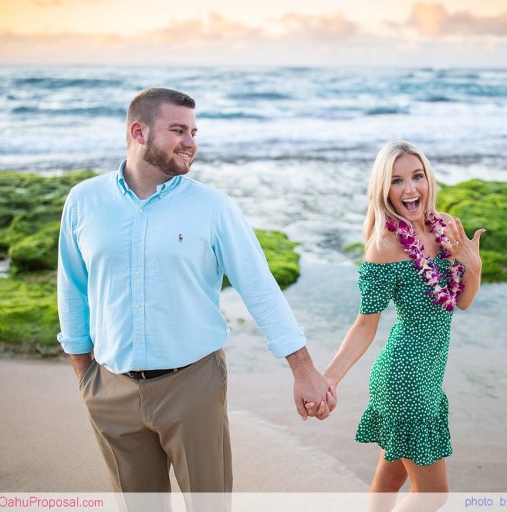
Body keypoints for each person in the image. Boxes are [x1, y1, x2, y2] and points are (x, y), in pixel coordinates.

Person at [56, 88, 334, 506]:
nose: (192, 142)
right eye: (178, 130)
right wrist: (86, 377)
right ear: (139, 132)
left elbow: (259, 288)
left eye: (194, 131)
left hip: (192, 385)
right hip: (109, 388)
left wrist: (303, 368)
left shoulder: (213, 207)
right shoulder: (84, 201)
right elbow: (72, 288)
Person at [322, 141, 485, 511]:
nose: (410, 189)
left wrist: (473, 266)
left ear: (429, 180)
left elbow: (462, 301)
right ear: (384, 189)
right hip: (403, 379)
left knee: (389, 479)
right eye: (397, 181)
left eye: (417, 176)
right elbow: (365, 324)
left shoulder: (445, 227)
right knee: (433, 496)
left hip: (429, 376)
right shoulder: (384, 245)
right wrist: (330, 377)